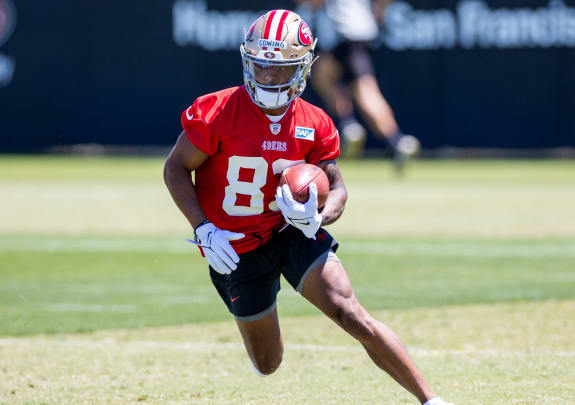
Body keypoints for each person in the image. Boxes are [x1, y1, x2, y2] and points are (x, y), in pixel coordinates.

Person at [163, 10, 453, 405]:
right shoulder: (216, 111)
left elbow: (337, 189)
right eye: (261, 67)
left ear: (303, 68)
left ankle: (432, 400)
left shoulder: (315, 122)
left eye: (279, 69)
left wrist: (317, 216)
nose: (267, 78)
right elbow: (176, 168)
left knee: (350, 312)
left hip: (290, 230)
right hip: (233, 247)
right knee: (268, 362)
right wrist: (202, 228)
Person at [296, 0, 420, 171]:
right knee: (326, 76)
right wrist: (378, 13)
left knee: (364, 90)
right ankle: (388, 138)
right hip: (358, 33)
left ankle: (379, 135)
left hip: (345, 33)